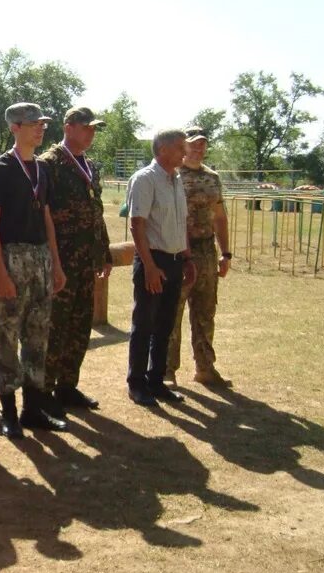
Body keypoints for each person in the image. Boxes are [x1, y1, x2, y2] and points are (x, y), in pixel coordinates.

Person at [0, 103, 67, 437]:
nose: (40, 129)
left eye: (43, 123)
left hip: (41, 258)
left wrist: (56, 263)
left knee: (38, 335)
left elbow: (46, 216)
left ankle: (34, 408)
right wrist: (0, 273)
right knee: (8, 336)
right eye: (33, 124)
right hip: (12, 258)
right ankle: (9, 412)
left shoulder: (42, 170)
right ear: (15, 127)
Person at [39, 107, 112, 410]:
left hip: (85, 260)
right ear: (68, 127)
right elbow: (42, 215)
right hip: (61, 259)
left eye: (94, 128)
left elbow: (97, 211)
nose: (91, 133)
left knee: (80, 324)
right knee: (55, 326)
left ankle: (67, 386)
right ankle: (43, 391)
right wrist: (53, 261)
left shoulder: (91, 165)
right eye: (86, 127)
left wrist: (104, 251)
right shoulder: (49, 164)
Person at [126, 129, 198, 406]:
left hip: (175, 260)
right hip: (152, 259)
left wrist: (187, 258)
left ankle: (156, 381)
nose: (185, 152)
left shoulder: (176, 180)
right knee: (144, 324)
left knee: (165, 325)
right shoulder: (145, 179)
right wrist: (150, 267)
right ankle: (136, 383)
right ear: (164, 150)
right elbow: (137, 225)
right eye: (180, 147)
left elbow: (181, 224)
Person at [166, 125, 232, 386]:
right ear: (183, 146)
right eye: (193, 143)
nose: (198, 148)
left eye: (202, 143)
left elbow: (220, 217)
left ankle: (205, 367)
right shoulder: (172, 175)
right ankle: (166, 370)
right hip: (179, 251)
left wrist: (225, 253)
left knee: (205, 311)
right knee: (173, 312)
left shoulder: (212, 177)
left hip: (206, 250)